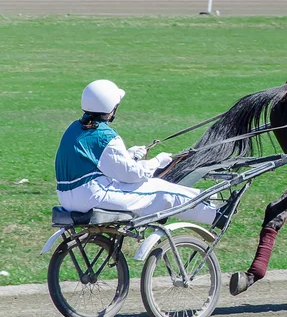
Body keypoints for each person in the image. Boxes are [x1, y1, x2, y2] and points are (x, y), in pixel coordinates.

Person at [54, 79, 217, 224]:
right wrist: (157, 162)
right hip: (92, 196)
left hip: (68, 197)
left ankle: (208, 198)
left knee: (158, 188)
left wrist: (129, 154)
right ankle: (214, 214)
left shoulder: (74, 128)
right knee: (162, 190)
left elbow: (104, 160)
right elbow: (132, 174)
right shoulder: (105, 136)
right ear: (111, 108)